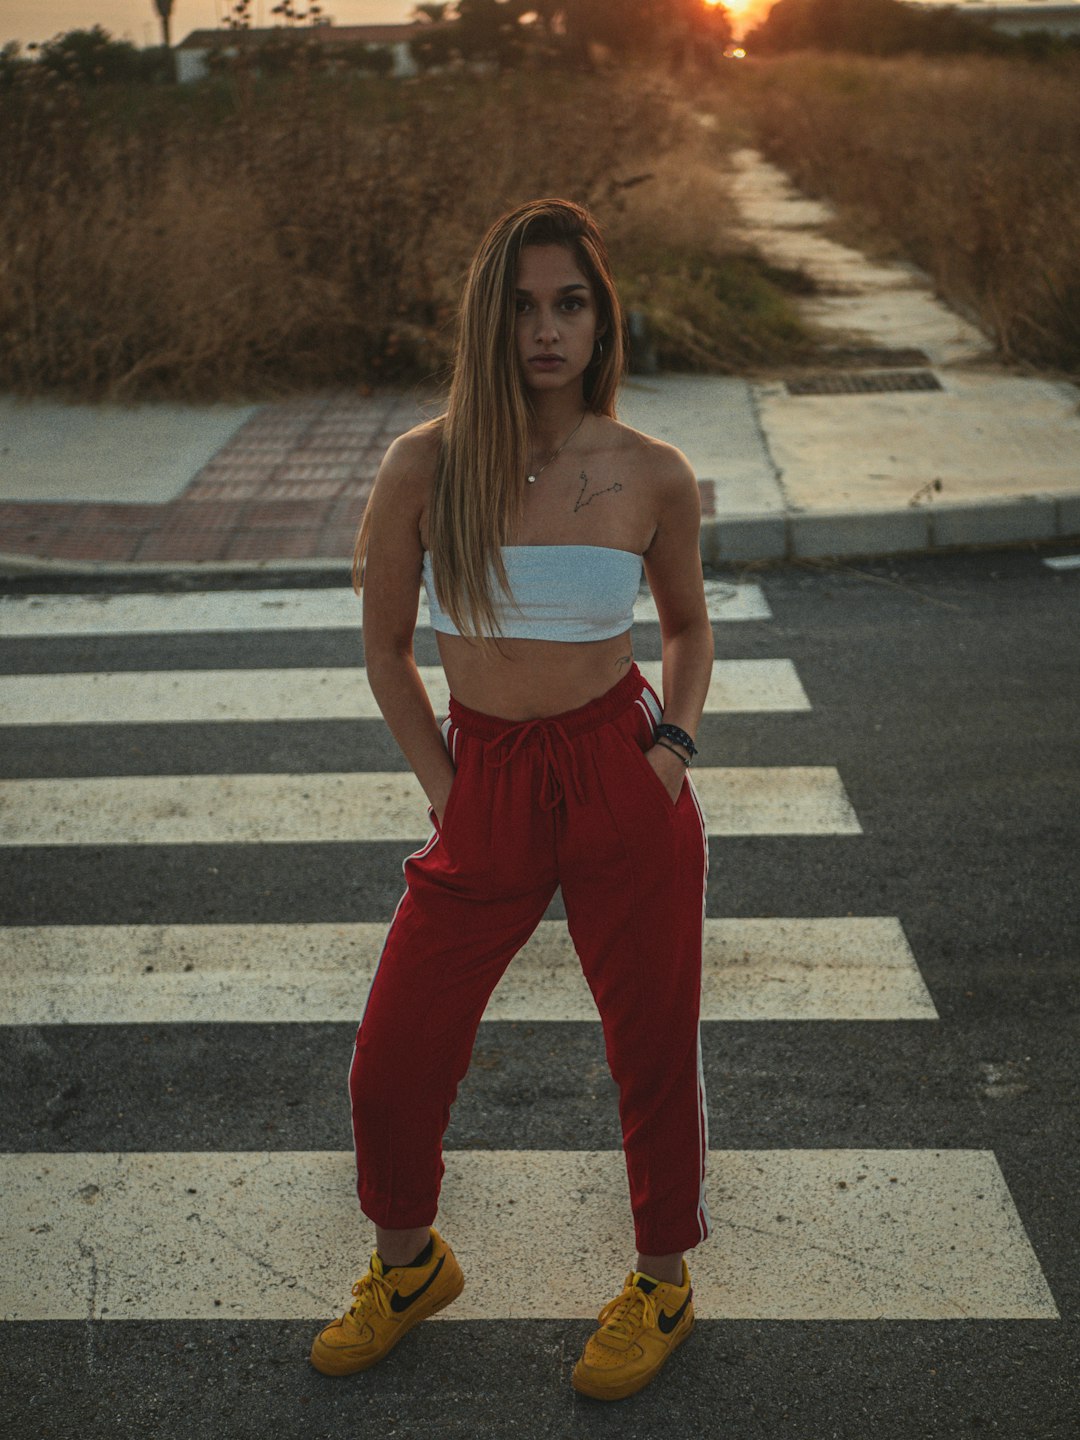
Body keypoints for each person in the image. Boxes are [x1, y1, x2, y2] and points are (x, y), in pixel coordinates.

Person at [310, 197, 714, 1401]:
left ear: (602, 318)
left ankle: (662, 1280)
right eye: (526, 305)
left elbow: (688, 626)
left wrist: (669, 753)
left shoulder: (652, 473)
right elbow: (387, 649)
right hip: (483, 770)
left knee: (650, 1043)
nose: (548, 330)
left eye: (571, 303)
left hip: (616, 767)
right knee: (395, 1056)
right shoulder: (426, 465)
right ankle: (411, 1264)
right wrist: (448, 786)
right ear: (493, 319)